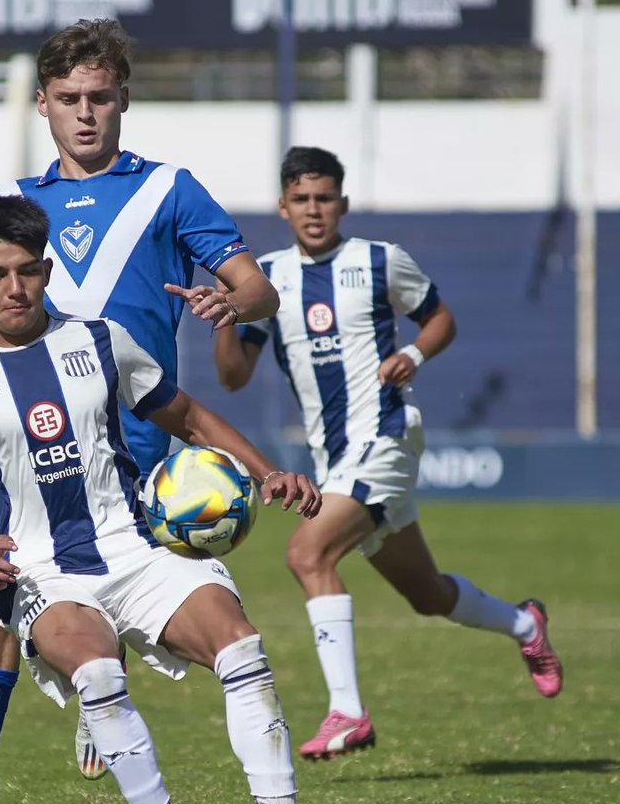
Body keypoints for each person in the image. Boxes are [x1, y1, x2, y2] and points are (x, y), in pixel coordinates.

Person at [0, 19, 280, 804]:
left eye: (99, 97)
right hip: (27, 436)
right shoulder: (21, 206)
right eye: (67, 101)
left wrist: (236, 304)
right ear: (46, 108)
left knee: (156, 602)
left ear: (124, 99)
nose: (85, 114)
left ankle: (103, 698)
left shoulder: (170, 191)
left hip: (143, 445)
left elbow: (254, 285)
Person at [0, 191, 348, 804]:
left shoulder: (101, 340)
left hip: (139, 550)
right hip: (46, 572)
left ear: (48, 270)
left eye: (26, 271)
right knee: (99, 675)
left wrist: (269, 475)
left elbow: (189, 416)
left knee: (241, 648)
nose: (14, 288)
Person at [213, 146, 563, 760]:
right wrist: (223, 311)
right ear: (283, 207)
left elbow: (440, 318)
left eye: (324, 198)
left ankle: (348, 711)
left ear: (343, 204)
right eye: (302, 199)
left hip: (388, 436)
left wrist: (416, 355)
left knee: (306, 551)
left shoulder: (379, 261)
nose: (314, 210)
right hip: (335, 456)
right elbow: (234, 376)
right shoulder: (268, 280)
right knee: (425, 594)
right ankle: (525, 624)